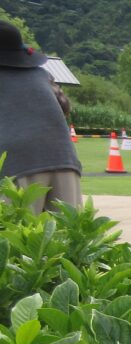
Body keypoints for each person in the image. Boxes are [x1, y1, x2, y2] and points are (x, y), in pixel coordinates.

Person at [0, 21, 82, 215]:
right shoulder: (42, 74)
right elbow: (64, 107)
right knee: (71, 235)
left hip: (17, 163)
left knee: (16, 237)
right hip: (63, 157)